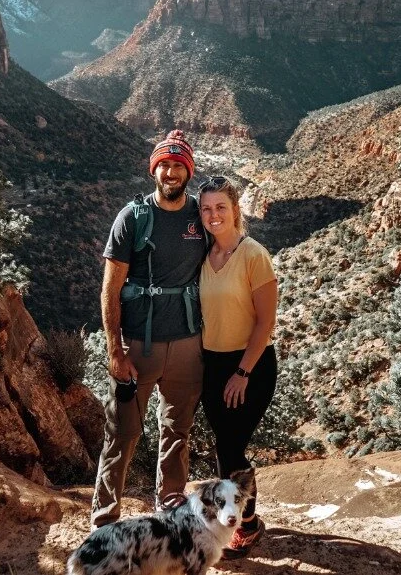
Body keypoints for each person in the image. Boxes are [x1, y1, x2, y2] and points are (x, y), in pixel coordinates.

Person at [90, 130, 207, 529]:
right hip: (139, 343)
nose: (171, 172)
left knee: (178, 431)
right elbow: (110, 287)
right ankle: (104, 518)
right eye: (164, 165)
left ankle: (170, 507)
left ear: (188, 172)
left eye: (179, 166)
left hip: (189, 342)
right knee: (122, 433)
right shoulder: (133, 218)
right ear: (153, 170)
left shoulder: (200, 217)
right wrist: (115, 351)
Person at [196, 175, 278, 559]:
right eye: (207, 208)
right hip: (212, 363)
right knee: (224, 446)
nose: (214, 215)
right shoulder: (204, 257)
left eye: (221, 208)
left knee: (232, 446)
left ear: (235, 210)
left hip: (250, 365)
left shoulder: (253, 254)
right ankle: (237, 515)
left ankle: (247, 524)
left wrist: (242, 372)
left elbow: (265, 322)